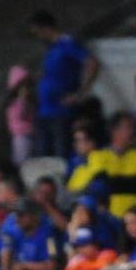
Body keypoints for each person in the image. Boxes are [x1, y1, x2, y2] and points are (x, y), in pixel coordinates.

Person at [27, 9, 98, 159]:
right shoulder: (51, 49)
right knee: (43, 156)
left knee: (61, 155)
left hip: (60, 112)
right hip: (45, 111)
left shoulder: (67, 43)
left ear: (46, 28)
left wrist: (80, 93)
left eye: (37, 33)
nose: (37, 37)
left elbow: (91, 62)